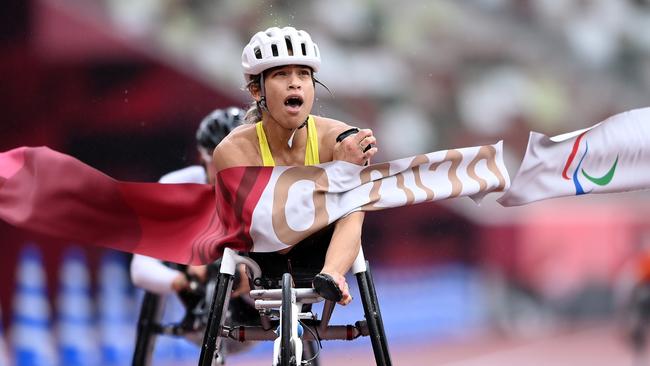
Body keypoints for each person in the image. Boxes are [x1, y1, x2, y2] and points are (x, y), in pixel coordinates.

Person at [213, 26, 378, 305]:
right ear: (256, 90)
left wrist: (352, 167)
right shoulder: (232, 151)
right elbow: (277, 235)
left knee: (355, 202)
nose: (295, 83)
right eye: (281, 74)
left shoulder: (337, 137)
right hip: (262, 256)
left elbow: (356, 182)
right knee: (344, 188)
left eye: (303, 74)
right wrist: (336, 172)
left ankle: (333, 276)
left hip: (323, 253)